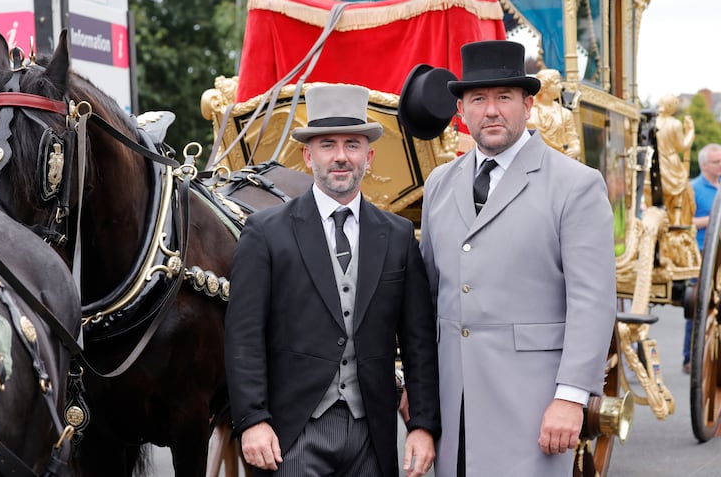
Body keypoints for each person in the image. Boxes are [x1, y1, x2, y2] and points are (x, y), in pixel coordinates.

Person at [403, 40, 616, 476]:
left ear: (529, 105)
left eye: (504, 97)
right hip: (452, 407)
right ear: (461, 111)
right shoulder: (440, 184)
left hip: (534, 410)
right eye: (478, 99)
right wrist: (418, 387)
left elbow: (592, 303)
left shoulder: (576, 185)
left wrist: (571, 398)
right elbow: (426, 300)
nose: (492, 111)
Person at [225, 84, 440, 477]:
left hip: (371, 437)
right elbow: (244, 337)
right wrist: (252, 420)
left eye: (352, 144)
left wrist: (423, 425)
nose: (341, 157)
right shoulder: (264, 233)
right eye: (328, 145)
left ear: (369, 156)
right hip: (290, 435)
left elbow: (419, 342)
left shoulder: (395, 236)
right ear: (308, 156)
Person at [683, 143, 721, 373]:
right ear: (705, 165)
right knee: (697, 308)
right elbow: (687, 223)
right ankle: (691, 357)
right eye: (717, 162)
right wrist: (713, 220)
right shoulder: (693, 188)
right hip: (701, 255)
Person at [655, 94, 695, 227]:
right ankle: (676, 220)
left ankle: (666, 218)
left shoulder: (653, 122)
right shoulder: (675, 124)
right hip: (671, 162)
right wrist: (690, 132)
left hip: (656, 162)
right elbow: (682, 146)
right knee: (678, 189)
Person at [527, 68, 581, 160]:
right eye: (556, 83)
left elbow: (572, 137)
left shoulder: (565, 114)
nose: (560, 87)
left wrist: (575, 149)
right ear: (545, 87)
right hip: (533, 160)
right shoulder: (528, 112)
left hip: (559, 161)